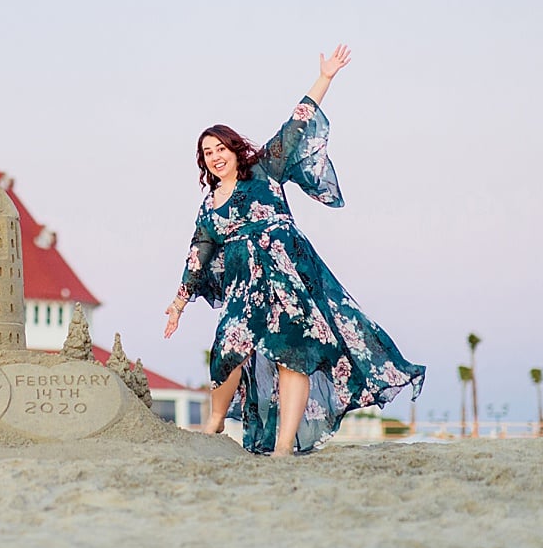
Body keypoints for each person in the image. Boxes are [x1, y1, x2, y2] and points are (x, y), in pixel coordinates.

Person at [164, 46, 424, 456]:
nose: (215, 157)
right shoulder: (209, 206)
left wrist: (325, 77)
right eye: (207, 153)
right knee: (229, 345)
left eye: (220, 148)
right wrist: (179, 304)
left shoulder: (265, 169)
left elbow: (296, 124)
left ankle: (284, 449)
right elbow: (197, 255)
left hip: (289, 276)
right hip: (244, 285)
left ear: (234, 149)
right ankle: (213, 424)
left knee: (293, 354)